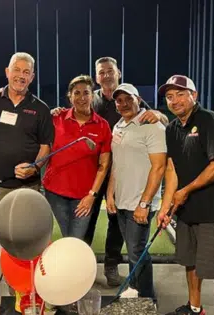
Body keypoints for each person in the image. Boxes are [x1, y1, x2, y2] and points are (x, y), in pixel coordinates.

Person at [52, 56, 169, 286]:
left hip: (120, 172)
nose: (106, 75)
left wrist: (160, 114)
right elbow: (73, 113)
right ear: (97, 77)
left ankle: (112, 265)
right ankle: (82, 267)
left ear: (118, 73)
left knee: (116, 224)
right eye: (102, 72)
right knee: (87, 219)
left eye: (110, 71)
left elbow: (158, 119)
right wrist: (58, 111)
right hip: (94, 173)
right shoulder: (92, 99)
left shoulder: (128, 96)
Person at [0, 52, 54, 299]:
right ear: (7, 72)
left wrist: (35, 166)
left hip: (25, 191)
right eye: (17, 70)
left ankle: (20, 297)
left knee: (21, 248)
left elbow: (45, 147)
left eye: (26, 72)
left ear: (32, 77)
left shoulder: (40, 108)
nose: (21, 76)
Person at [156, 75, 214, 315]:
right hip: (186, 211)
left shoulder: (209, 121)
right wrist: (165, 205)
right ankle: (195, 308)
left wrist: (185, 191)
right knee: (190, 263)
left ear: (195, 95)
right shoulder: (172, 128)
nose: (175, 100)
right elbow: (172, 169)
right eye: (170, 97)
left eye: (181, 94)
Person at [106, 83, 167, 302]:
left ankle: (148, 298)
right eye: (119, 100)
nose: (123, 104)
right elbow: (116, 163)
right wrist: (110, 194)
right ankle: (134, 288)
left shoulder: (152, 125)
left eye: (128, 99)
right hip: (122, 199)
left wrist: (144, 203)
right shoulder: (119, 126)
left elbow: (159, 167)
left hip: (140, 201)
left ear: (138, 100)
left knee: (137, 251)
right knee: (133, 250)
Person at [43, 75, 111, 239]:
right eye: (77, 93)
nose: (82, 98)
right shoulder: (56, 118)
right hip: (55, 192)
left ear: (92, 95)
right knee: (69, 237)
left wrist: (92, 196)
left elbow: (104, 166)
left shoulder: (102, 125)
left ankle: (75, 264)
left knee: (76, 238)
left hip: (84, 195)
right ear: (70, 96)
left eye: (86, 93)